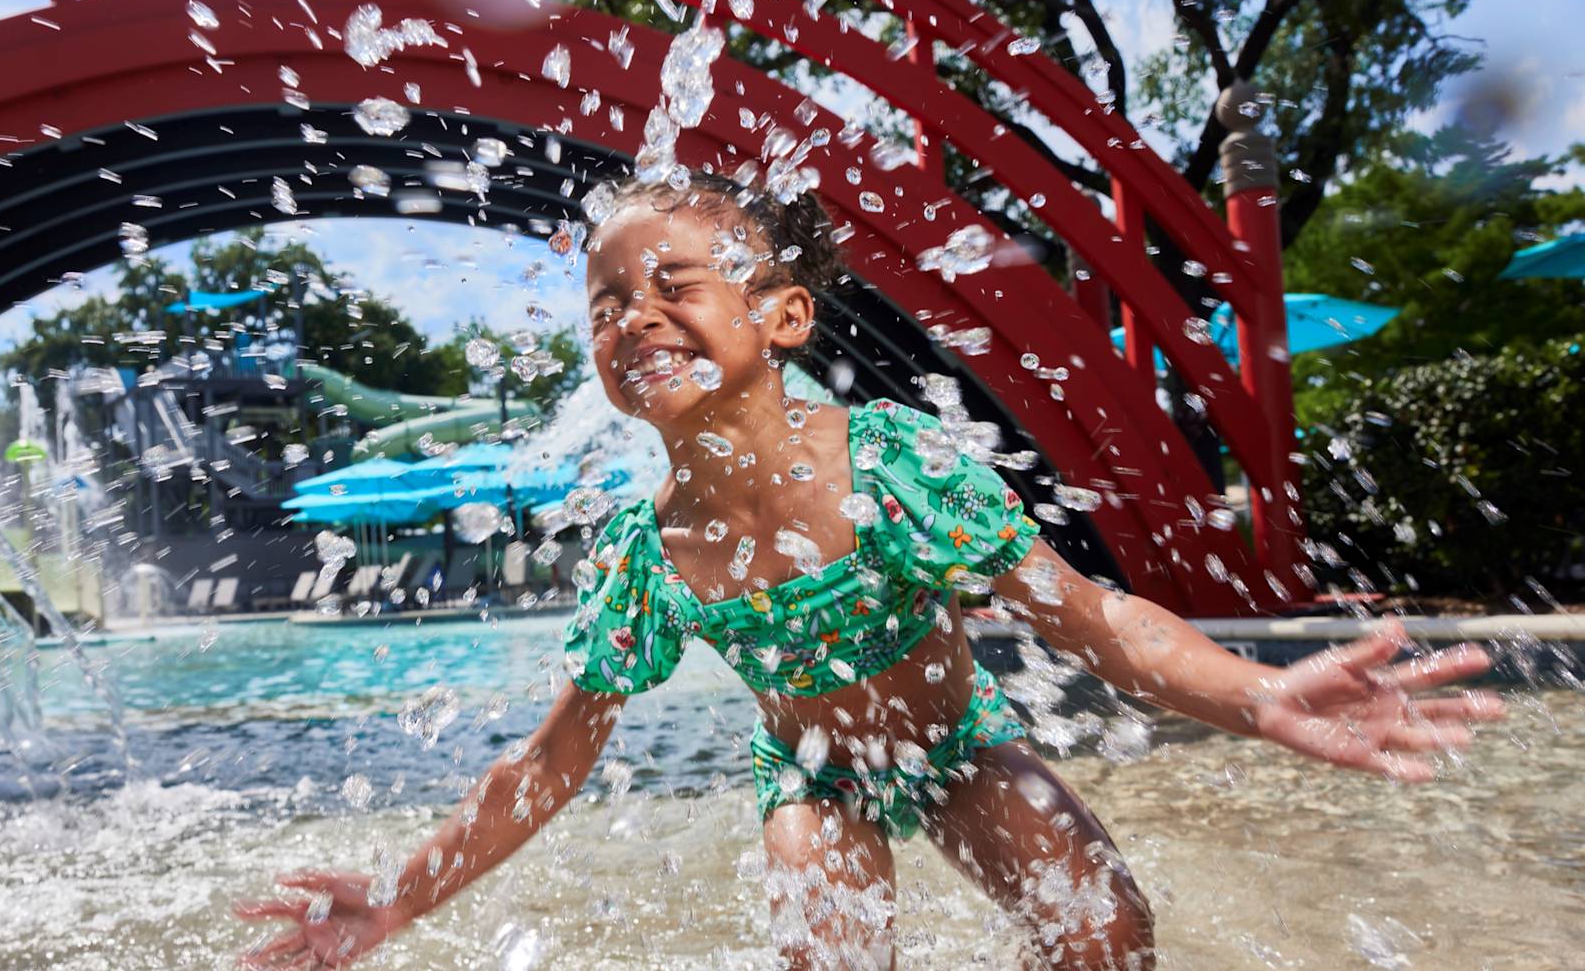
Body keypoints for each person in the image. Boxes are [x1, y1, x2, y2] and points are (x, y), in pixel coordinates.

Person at [238, 170, 1507, 969]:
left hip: (959, 739)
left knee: (1108, 931)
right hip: (815, 775)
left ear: (783, 317)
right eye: (604, 305)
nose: (631, 318)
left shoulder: (894, 467)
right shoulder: (646, 551)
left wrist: (1258, 696)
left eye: (669, 284)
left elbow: (1096, 621)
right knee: (829, 946)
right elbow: (552, 760)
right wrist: (400, 901)